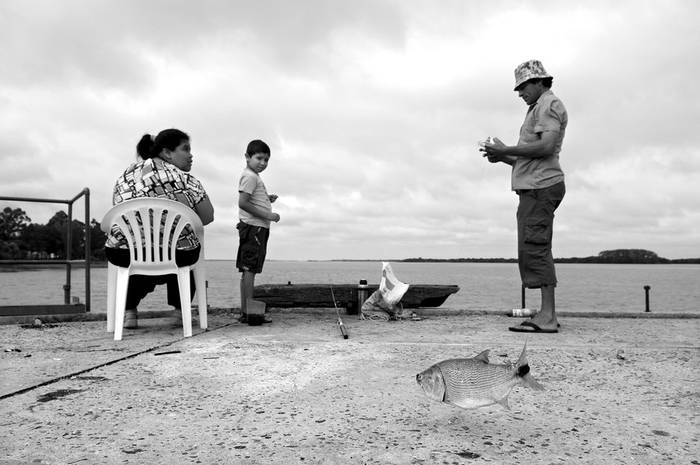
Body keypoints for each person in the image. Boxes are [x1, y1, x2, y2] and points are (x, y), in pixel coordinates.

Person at [481, 59, 567, 333]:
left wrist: (508, 150)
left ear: (540, 81)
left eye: (523, 85)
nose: (520, 92)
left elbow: (547, 146)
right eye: (517, 87)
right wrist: (502, 157)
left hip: (542, 187)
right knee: (534, 246)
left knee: (536, 246)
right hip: (536, 185)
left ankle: (548, 317)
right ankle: (547, 312)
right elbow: (533, 159)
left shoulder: (547, 104)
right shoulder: (536, 108)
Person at [105, 129, 214, 329]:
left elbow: (117, 212)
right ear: (167, 153)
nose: (191, 155)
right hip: (176, 256)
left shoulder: (125, 176)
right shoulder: (185, 179)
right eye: (186, 149)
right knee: (183, 248)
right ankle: (180, 312)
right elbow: (207, 217)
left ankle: (128, 312)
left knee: (142, 251)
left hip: (122, 254)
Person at [236, 139, 280, 324]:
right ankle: (249, 312)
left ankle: (247, 310)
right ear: (247, 157)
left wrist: (267, 198)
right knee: (250, 270)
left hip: (255, 228)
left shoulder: (253, 176)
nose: (263, 163)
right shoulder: (251, 176)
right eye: (259, 158)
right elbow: (243, 203)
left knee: (248, 270)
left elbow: (251, 198)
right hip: (254, 228)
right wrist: (268, 215)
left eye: (266, 160)